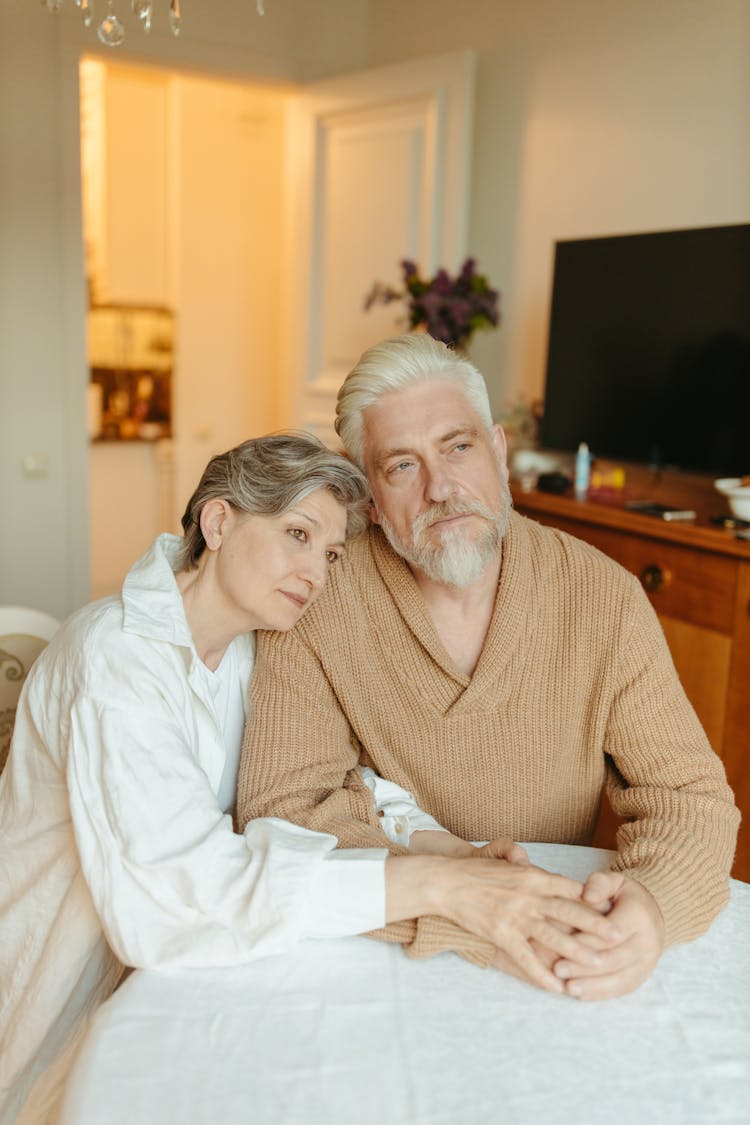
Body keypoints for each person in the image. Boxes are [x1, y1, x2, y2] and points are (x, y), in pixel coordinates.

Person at [0, 432, 616, 1125]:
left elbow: (328, 777)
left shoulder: (249, 649)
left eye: (328, 554)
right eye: (297, 533)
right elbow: (181, 891)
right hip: (51, 1028)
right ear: (219, 521)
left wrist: (438, 845)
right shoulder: (114, 661)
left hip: (189, 986)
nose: (316, 573)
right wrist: (437, 886)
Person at [237, 335, 740, 1001]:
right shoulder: (318, 598)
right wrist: (463, 905)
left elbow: (691, 800)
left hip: (554, 956)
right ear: (369, 498)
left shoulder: (603, 597)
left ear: (499, 452)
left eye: (458, 446)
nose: (441, 488)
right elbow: (285, 815)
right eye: (401, 467)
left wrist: (651, 906)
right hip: (373, 958)